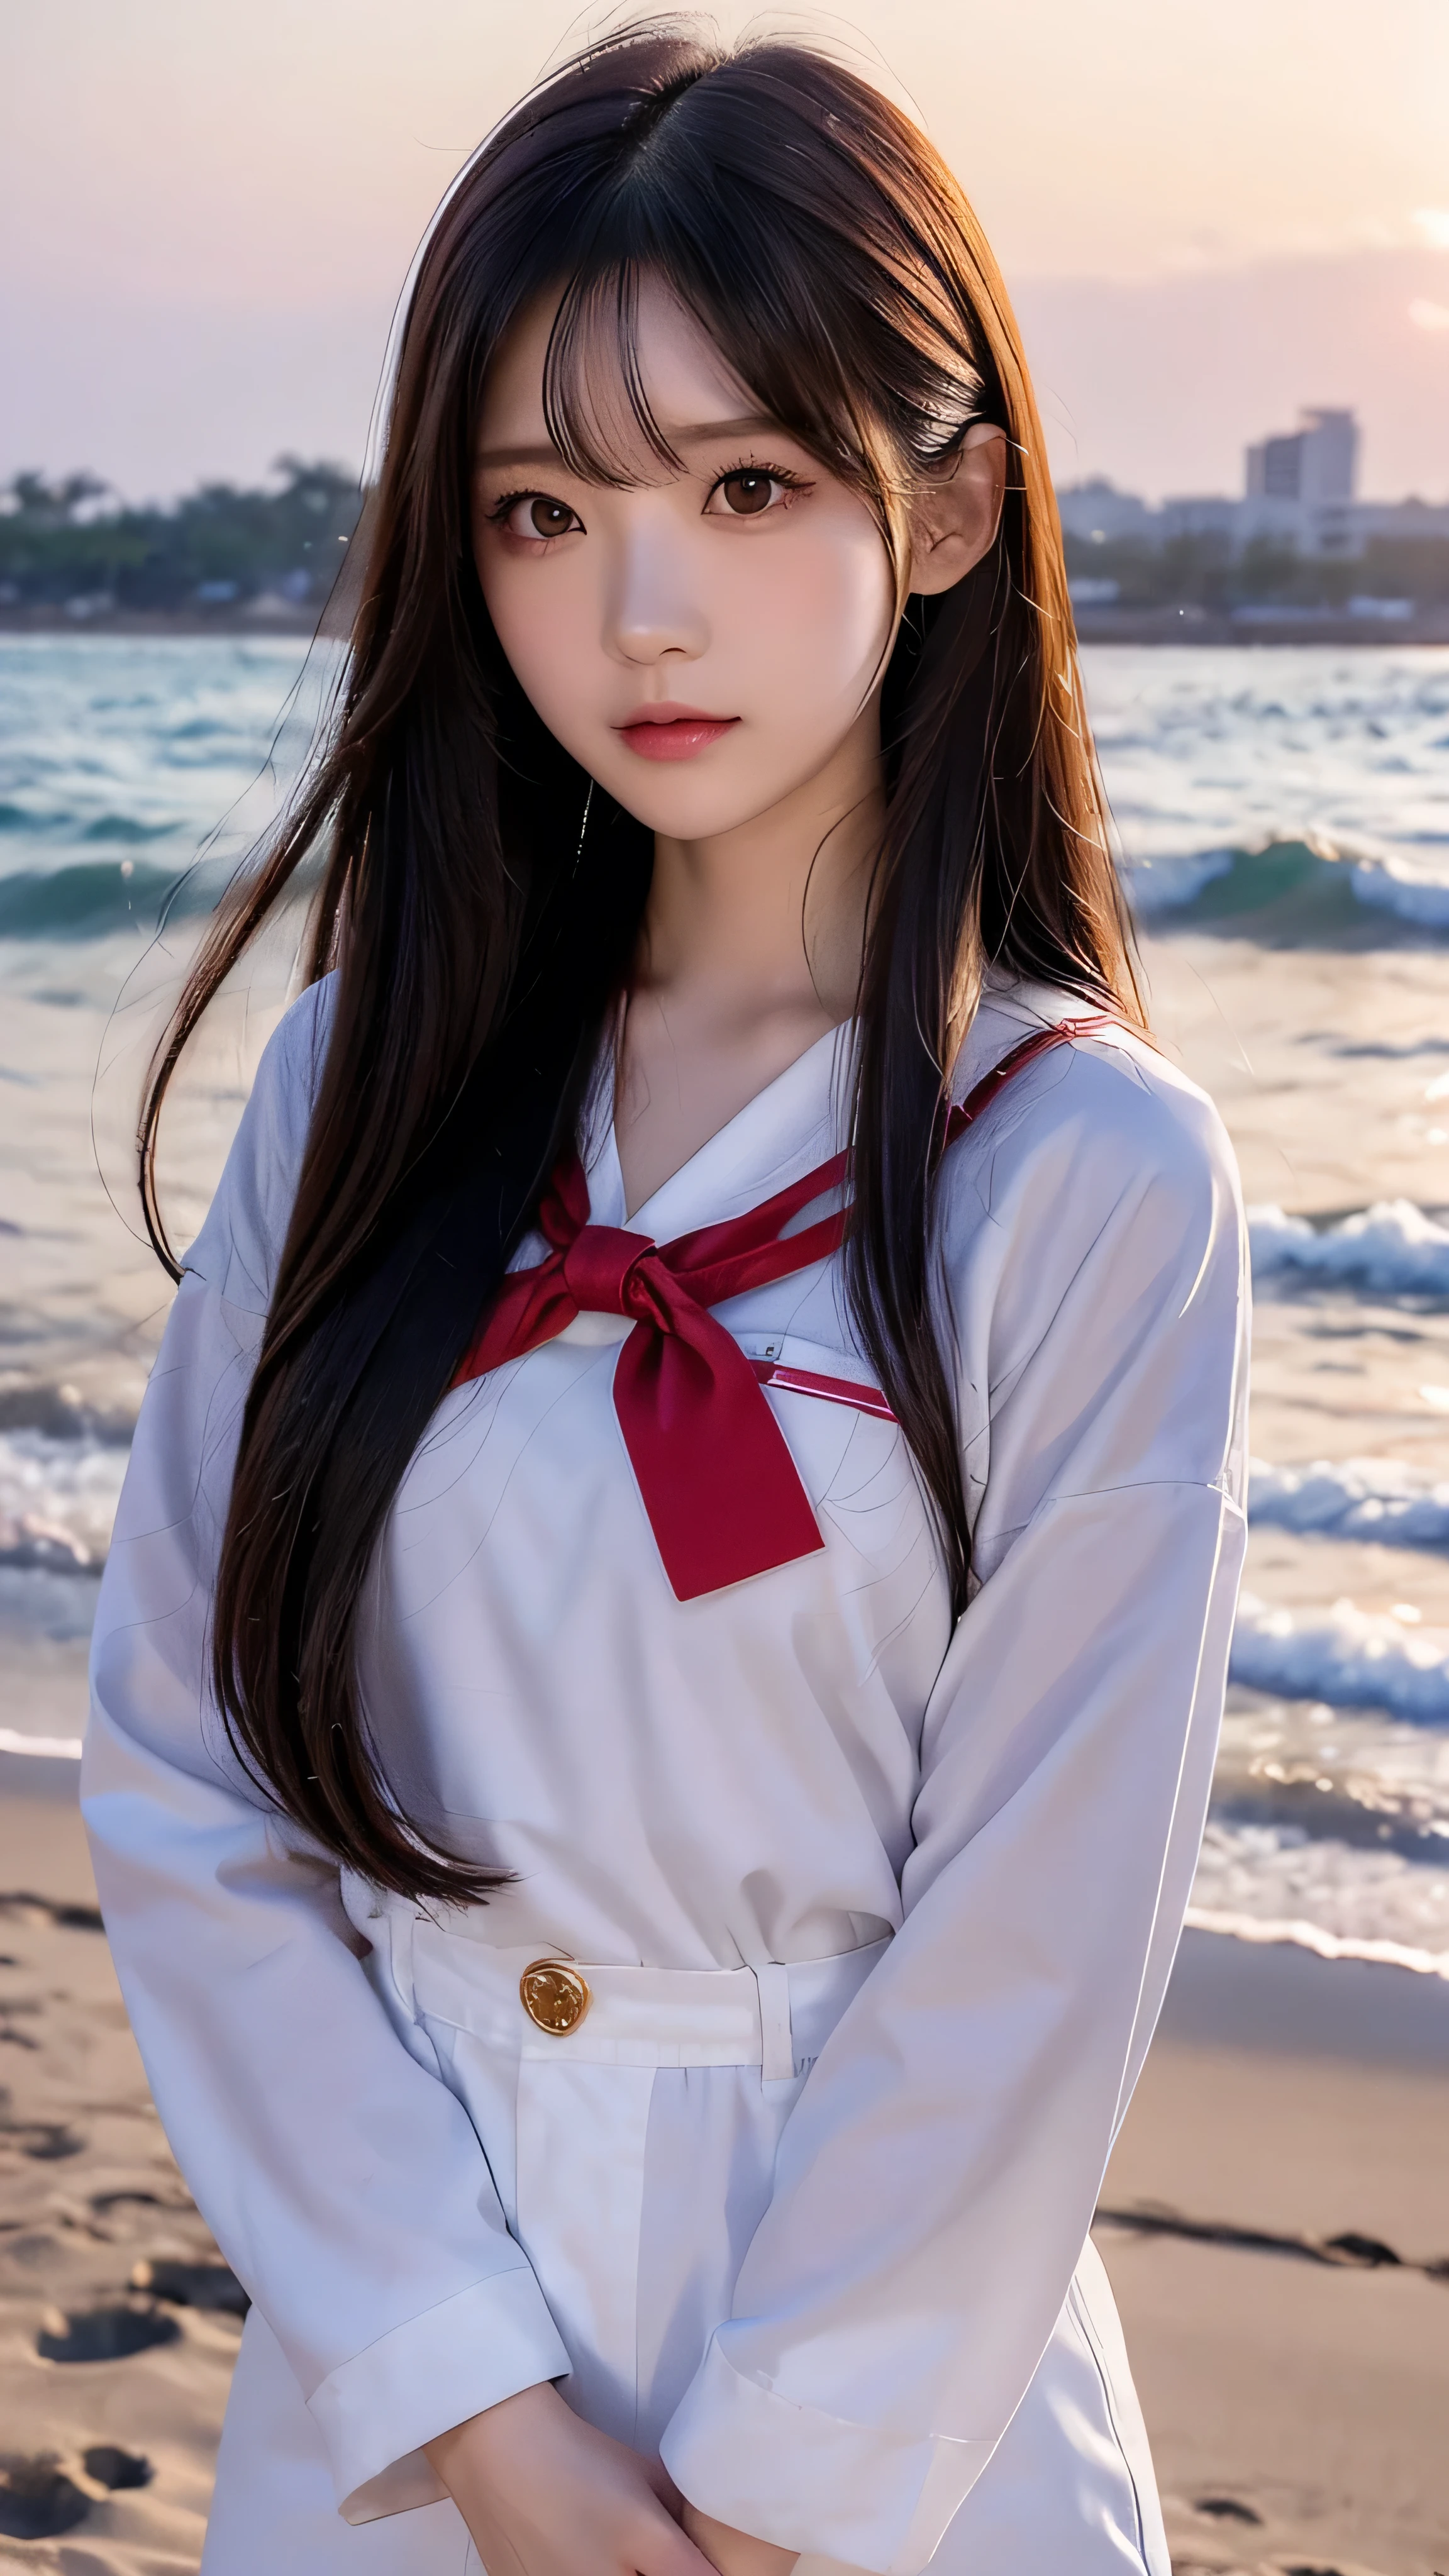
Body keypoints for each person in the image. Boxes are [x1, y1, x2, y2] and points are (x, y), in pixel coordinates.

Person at [83, 26, 1248, 2576]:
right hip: (406, 2415)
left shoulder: (1088, 1178)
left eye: (744, 485)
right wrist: (477, 2408)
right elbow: (190, 1783)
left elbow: (1032, 1943)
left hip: (893, 2440)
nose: (638, 608)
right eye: (542, 506)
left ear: (946, 510)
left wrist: (769, 2489)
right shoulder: (357, 1099)